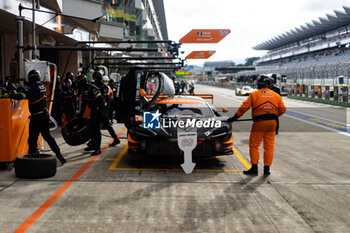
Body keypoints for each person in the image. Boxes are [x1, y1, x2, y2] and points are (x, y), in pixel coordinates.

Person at [228, 75, 286, 176]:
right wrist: (273, 115)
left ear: (259, 84)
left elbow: (244, 107)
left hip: (259, 123)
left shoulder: (254, 94)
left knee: (254, 145)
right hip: (272, 123)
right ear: (269, 85)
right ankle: (267, 169)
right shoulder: (276, 95)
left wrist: (234, 118)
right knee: (269, 147)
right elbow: (283, 109)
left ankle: (254, 168)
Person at [12, 70, 66, 165]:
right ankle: (60, 156)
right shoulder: (42, 87)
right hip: (44, 115)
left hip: (36, 117)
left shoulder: (32, 88)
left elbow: (22, 96)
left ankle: (31, 162)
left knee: (32, 139)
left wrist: (11, 94)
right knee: (48, 137)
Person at [76, 74, 107, 156]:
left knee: (96, 130)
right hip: (93, 111)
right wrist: (80, 115)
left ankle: (97, 149)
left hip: (99, 110)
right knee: (91, 129)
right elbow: (84, 104)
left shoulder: (93, 88)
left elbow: (101, 100)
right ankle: (93, 145)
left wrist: (102, 111)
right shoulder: (83, 90)